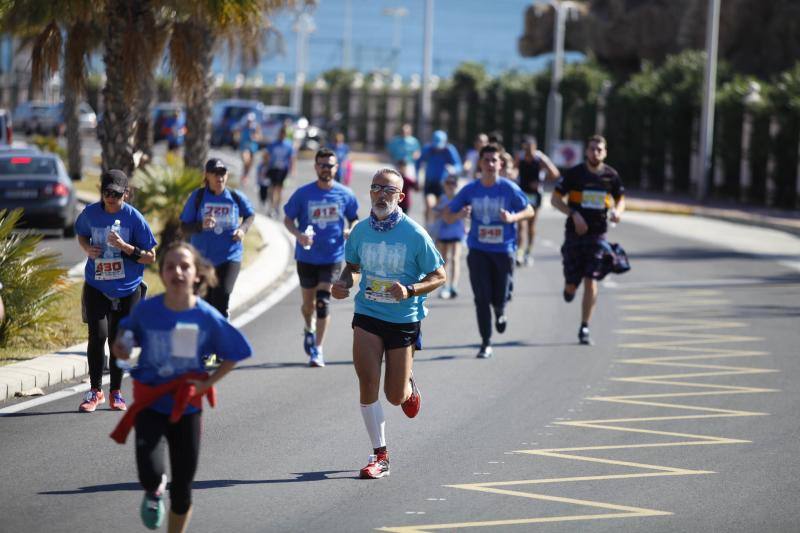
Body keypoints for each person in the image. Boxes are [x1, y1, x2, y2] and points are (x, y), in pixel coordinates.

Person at [112, 241, 252, 533]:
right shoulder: (147, 310)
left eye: (184, 266)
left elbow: (237, 351)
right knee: (150, 474)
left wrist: (207, 385)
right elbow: (126, 334)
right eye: (170, 266)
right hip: (150, 402)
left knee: (183, 488)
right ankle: (153, 490)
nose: (177, 271)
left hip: (186, 406)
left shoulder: (206, 316)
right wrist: (122, 346)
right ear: (161, 273)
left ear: (197, 274)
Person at [332, 168, 446, 479]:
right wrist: (343, 283)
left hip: (403, 320)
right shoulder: (360, 231)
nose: (382, 194)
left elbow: (439, 276)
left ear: (400, 197)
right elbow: (353, 267)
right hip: (368, 314)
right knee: (367, 382)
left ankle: (408, 386)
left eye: (389, 190)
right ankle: (380, 455)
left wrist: (409, 289)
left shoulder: (414, 234)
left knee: (394, 396)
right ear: (370, 192)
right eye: (376, 188)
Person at [74, 169, 158, 412]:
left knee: (119, 341)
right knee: (97, 335)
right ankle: (95, 390)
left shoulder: (134, 218)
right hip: (97, 284)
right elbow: (81, 233)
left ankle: (116, 393)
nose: (110, 198)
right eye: (106, 192)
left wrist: (125, 247)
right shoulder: (90, 213)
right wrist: (87, 248)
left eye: (116, 194)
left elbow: (151, 257)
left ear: (126, 194)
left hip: (128, 287)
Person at [444, 144, 534, 359]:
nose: (491, 164)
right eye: (487, 160)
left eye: (495, 160)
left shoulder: (509, 188)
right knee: (481, 298)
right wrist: (459, 215)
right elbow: (447, 215)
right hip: (478, 250)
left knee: (499, 295)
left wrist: (512, 218)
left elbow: (529, 210)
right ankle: (486, 342)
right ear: (480, 164)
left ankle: (501, 310)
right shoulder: (470, 189)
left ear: (500, 164)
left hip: (503, 250)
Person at [283, 148, 359, 367]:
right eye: (322, 165)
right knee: (308, 305)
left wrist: (350, 230)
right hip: (307, 257)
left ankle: (317, 350)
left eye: (330, 165)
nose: (326, 169)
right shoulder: (303, 193)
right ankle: (309, 326)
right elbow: (288, 219)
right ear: (316, 167)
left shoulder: (345, 194)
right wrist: (298, 236)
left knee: (323, 302)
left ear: (337, 168)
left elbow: (354, 219)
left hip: (333, 256)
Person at [551, 134, 625, 345]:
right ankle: (569, 288)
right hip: (574, 234)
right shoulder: (574, 174)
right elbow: (555, 199)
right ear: (586, 151)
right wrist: (573, 214)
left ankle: (584, 326)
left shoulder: (611, 176)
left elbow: (621, 199)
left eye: (599, 149)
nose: (595, 153)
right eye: (592, 149)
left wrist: (618, 212)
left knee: (591, 279)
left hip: (597, 235)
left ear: (605, 152)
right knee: (573, 284)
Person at [180, 158, 255, 322]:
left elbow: (250, 215)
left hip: (229, 256)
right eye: (215, 173)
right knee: (206, 303)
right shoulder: (198, 197)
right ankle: (208, 340)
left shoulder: (235, 196)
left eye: (223, 173)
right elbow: (184, 227)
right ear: (207, 175)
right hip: (203, 259)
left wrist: (242, 230)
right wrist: (201, 225)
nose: (219, 177)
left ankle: (221, 332)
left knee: (222, 296)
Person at [516, 136, 559, 266]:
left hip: (535, 195)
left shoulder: (540, 159)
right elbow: (512, 169)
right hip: (522, 193)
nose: (528, 151)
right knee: (520, 225)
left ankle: (528, 252)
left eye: (531, 148)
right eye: (526, 148)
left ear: (535, 147)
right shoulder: (520, 157)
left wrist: (541, 182)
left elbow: (555, 174)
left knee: (530, 225)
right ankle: (520, 253)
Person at [415, 130, 462, 227]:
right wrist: (417, 178)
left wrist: (453, 169)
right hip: (429, 182)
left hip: (443, 184)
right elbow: (418, 163)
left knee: (440, 208)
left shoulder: (449, 150)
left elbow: (458, 165)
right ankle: (427, 228)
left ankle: (438, 229)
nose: (437, 149)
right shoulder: (428, 149)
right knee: (430, 205)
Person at [432, 174, 466, 299]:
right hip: (443, 232)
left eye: (453, 184)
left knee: (455, 259)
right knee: (445, 260)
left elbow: (465, 214)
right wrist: (441, 211)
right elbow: (434, 213)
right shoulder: (442, 198)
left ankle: (454, 286)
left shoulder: (460, 198)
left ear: (457, 185)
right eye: (448, 183)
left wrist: (455, 214)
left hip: (456, 232)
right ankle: (445, 287)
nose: (451, 186)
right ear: (444, 185)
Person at [264, 126, 295, 218]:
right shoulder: (273, 144)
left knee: (279, 189)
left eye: (283, 134)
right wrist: (266, 166)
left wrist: (292, 170)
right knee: (272, 189)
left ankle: (277, 206)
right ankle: (271, 207)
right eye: (280, 133)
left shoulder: (288, 145)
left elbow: (292, 158)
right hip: (273, 168)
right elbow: (267, 155)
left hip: (283, 169)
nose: (282, 135)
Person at [235, 112, 261, 184]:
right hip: (244, 148)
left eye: (250, 121)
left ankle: (245, 175)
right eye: (248, 120)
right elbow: (236, 133)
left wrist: (254, 137)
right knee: (246, 160)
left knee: (250, 164)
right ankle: (244, 175)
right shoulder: (243, 127)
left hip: (253, 148)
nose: (249, 122)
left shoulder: (255, 128)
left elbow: (259, 137)